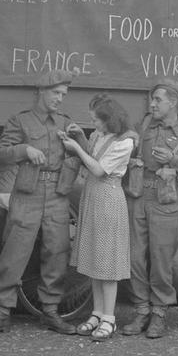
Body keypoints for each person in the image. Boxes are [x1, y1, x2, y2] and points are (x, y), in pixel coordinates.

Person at [0, 69, 86, 336]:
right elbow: (1, 154)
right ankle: (2, 312)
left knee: (57, 253)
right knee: (14, 253)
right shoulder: (21, 121)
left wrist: (79, 138)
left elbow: (83, 156)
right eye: (56, 93)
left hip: (57, 196)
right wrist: (24, 150)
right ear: (41, 91)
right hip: (28, 193)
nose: (60, 99)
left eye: (63, 94)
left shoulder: (66, 122)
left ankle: (50, 311)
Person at [121, 78, 178, 339]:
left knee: (161, 260)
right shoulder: (144, 124)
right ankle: (141, 309)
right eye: (152, 99)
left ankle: (159, 312)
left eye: (158, 99)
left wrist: (173, 159)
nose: (152, 103)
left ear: (174, 103)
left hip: (165, 202)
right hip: (138, 196)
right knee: (135, 257)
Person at [59, 94, 135, 341]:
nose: (95, 125)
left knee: (108, 263)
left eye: (97, 120)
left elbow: (99, 169)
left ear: (109, 119)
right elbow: (94, 156)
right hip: (93, 198)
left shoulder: (125, 142)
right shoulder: (99, 136)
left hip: (108, 199)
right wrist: (81, 137)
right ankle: (97, 312)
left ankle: (109, 318)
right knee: (94, 259)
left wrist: (77, 147)